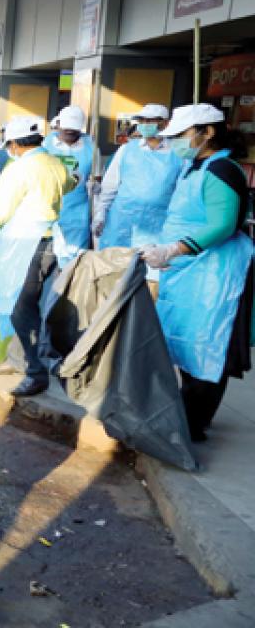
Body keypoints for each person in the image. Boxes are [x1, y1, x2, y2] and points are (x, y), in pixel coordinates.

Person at [139, 104, 253, 442]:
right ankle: (188, 416)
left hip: (216, 275)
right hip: (191, 272)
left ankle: (193, 424)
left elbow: (223, 224)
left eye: (181, 135)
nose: (175, 142)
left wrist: (174, 249)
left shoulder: (222, 170)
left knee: (209, 347)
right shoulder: (196, 167)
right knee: (187, 346)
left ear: (208, 132)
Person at [0, 116, 74, 397]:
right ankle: (36, 361)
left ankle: (36, 372)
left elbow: (1, 205)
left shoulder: (19, 169)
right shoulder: (54, 162)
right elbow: (71, 183)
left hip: (25, 245)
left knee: (19, 309)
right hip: (51, 242)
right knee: (40, 308)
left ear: (13, 143)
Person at [94, 104, 180, 250]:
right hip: (122, 219)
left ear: (165, 123)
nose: (145, 124)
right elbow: (110, 185)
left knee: (151, 265)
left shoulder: (177, 153)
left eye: (151, 121)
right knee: (117, 264)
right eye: (142, 120)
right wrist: (101, 211)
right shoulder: (127, 149)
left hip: (158, 222)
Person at [43, 105, 95, 267]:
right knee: (43, 264)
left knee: (74, 265)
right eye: (66, 129)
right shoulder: (45, 147)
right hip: (47, 211)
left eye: (74, 130)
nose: (70, 133)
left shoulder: (90, 147)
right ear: (58, 125)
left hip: (77, 214)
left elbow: (99, 178)